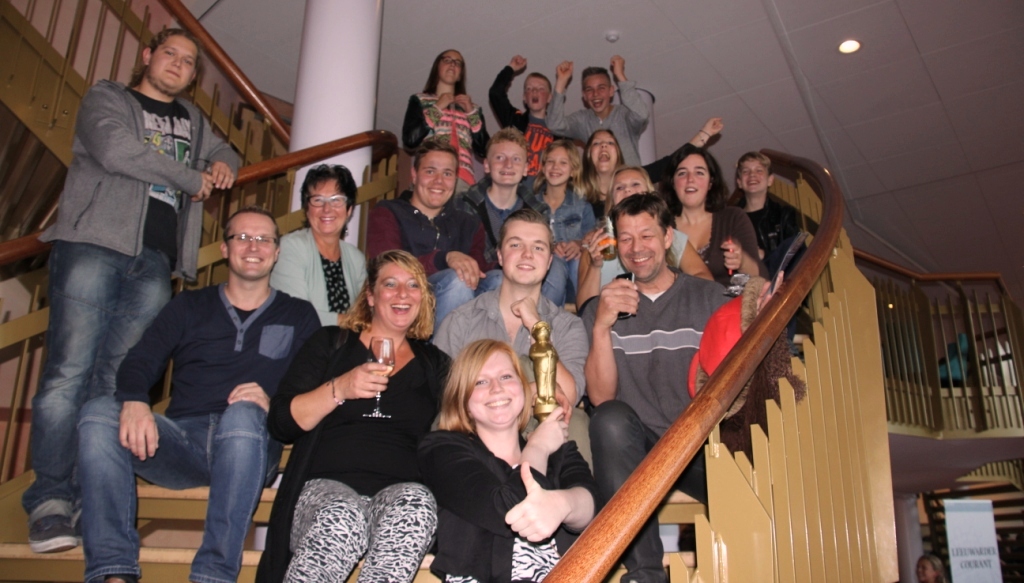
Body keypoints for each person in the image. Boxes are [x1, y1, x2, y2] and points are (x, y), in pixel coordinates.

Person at [26, 27, 240, 553]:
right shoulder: (108, 97)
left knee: (118, 383)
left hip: (155, 262)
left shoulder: (192, 119)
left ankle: (89, 494)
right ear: (147, 56)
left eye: (188, 62)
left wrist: (223, 163)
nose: (178, 65)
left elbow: (227, 153)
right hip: (93, 245)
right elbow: (118, 150)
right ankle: (50, 499)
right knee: (68, 374)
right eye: (170, 54)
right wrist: (191, 176)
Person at [77, 207, 320, 583]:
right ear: (225, 249)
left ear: (276, 252)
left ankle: (213, 575)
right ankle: (114, 572)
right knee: (97, 413)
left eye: (263, 239)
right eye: (242, 237)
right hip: (181, 443)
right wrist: (135, 400)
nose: (252, 246)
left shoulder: (299, 314)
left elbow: (314, 387)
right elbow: (139, 361)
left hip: (252, 443)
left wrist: (273, 403)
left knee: (242, 412)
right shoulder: (188, 305)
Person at [257, 250, 451, 583]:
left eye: (413, 285)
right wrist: (340, 388)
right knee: (342, 515)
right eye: (390, 284)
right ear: (371, 296)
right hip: (326, 491)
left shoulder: (435, 363)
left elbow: (465, 417)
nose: (403, 294)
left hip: (397, 494)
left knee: (417, 504)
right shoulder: (331, 343)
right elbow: (281, 423)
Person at [581, 193, 729, 583]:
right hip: (640, 452)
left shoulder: (712, 298)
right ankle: (645, 574)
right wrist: (601, 326)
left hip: (700, 447)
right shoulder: (601, 307)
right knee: (608, 418)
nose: (636, 248)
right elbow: (600, 398)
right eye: (626, 239)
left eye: (646, 235)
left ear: (667, 238)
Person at [419, 339, 597, 583]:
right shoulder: (441, 449)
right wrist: (537, 448)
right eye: (480, 382)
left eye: (506, 377)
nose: (496, 388)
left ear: (523, 390)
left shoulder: (558, 450)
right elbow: (506, 510)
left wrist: (563, 504)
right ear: (463, 400)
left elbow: (592, 506)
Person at [434, 208, 592, 465]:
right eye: (516, 244)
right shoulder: (461, 321)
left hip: (542, 431)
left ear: (549, 261)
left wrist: (537, 328)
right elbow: (444, 398)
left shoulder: (568, 326)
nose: (527, 254)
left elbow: (569, 397)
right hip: (474, 435)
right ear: (499, 255)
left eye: (538, 247)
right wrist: (526, 392)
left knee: (575, 422)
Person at [366, 140, 487, 332]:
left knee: (499, 280)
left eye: (447, 173)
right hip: (405, 304)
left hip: (462, 311)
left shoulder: (469, 224)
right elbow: (388, 269)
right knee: (458, 281)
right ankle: (441, 351)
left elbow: (480, 273)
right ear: (414, 175)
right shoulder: (387, 213)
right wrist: (443, 258)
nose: (439, 181)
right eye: (430, 171)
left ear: (455, 179)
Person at [455, 127, 569, 306]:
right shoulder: (464, 204)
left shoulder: (538, 211)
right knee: (499, 278)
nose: (508, 165)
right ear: (487, 165)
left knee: (556, 266)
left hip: (527, 277)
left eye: (516, 159)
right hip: (481, 283)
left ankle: (542, 322)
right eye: (500, 158)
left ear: (525, 168)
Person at [576, 166, 711, 306]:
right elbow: (584, 308)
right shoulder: (595, 244)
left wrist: (674, 300)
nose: (628, 190)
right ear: (611, 199)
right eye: (619, 188)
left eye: (635, 184)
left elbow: (704, 279)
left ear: (650, 193)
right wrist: (595, 266)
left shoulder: (668, 235)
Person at [271, 164, 366, 326]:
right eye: (317, 200)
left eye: (336, 200)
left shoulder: (356, 258)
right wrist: (352, 321)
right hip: (302, 340)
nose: (326, 209)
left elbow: (365, 311)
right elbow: (296, 313)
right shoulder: (290, 247)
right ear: (307, 209)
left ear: (349, 210)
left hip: (346, 340)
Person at [661, 144, 768, 286]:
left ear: (710, 183)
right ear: (673, 183)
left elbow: (763, 279)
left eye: (699, 172)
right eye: (682, 173)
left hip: (734, 299)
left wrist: (742, 261)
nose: (690, 179)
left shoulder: (733, 218)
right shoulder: (661, 226)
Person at [577, 118, 724, 219]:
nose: (603, 146)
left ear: (618, 153)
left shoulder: (636, 178)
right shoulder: (576, 193)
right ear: (588, 154)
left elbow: (671, 162)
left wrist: (705, 133)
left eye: (610, 143)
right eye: (597, 143)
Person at [403, 49, 489, 191]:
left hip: (463, 180)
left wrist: (471, 113)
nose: (452, 65)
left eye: (457, 63)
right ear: (437, 68)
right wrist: (437, 108)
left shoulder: (472, 108)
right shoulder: (420, 100)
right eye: (447, 60)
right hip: (430, 174)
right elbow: (410, 139)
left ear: (460, 74)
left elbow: (485, 150)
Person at [546, 57, 649, 167]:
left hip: (628, 177)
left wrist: (620, 75)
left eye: (601, 88)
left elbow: (641, 115)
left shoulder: (624, 114)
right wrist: (561, 82)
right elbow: (554, 125)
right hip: (599, 178)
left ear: (611, 91)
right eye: (589, 90)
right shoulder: (583, 120)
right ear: (584, 96)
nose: (595, 94)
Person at [532, 139, 595, 298]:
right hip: (544, 270)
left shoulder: (582, 206)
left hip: (575, 268)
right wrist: (550, 247)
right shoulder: (531, 205)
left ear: (573, 170)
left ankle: (588, 309)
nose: (555, 167)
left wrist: (579, 244)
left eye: (563, 163)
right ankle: (545, 313)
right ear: (543, 167)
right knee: (555, 264)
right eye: (550, 161)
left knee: (579, 261)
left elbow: (592, 239)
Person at [488, 55, 556, 180]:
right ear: (524, 97)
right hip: (518, 185)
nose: (534, 91)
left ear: (549, 98)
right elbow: (495, 93)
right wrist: (511, 68)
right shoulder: (515, 120)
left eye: (540, 89)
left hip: (546, 186)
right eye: (529, 89)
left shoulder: (559, 129)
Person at [733, 151, 801, 272]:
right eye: (746, 171)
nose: (752, 175)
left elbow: (796, 257)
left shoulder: (784, 215)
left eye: (759, 170)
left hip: (777, 281)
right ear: (739, 182)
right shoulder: (729, 220)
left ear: (770, 180)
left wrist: (763, 254)